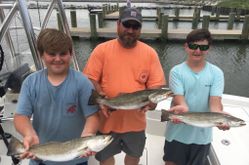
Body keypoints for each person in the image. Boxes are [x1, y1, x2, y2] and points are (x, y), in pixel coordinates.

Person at [83, 7, 166, 165]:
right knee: (106, 158)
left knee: (134, 156)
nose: (130, 30)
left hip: (136, 123)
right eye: (127, 25)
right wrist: (100, 98)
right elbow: (90, 79)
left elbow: (156, 88)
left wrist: (153, 103)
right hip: (106, 121)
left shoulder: (150, 53)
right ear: (118, 24)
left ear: (140, 29)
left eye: (135, 27)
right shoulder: (101, 50)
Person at [14, 28, 100, 165]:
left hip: (76, 158)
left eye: (63, 53)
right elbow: (20, 116)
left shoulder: (83, 82)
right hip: (40, 157)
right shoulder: (30, 82)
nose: (58, 59)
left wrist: (88, 134)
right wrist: (29, 133)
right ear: (41, 54)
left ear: (71, 54)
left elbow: (93, 116)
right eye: (52, 54)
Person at [163, 29, 229, 165]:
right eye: (193, 46)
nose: (197, 51)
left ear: (208, 49)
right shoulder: (176, 71)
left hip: (202, 136)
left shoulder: (217, 73)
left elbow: (215, 103)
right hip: (176, 132)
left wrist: (220, 117)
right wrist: (181, 108)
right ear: (186, 46)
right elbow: (179, 99)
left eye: (203, 47)